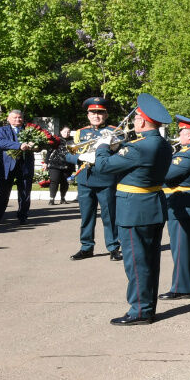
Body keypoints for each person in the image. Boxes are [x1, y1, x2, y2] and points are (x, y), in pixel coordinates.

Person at [88, 93, 172, 325]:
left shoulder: (139, 147)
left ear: (143, 122)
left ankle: (140, 311)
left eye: (136, 119)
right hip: (152, 206)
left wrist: (102, 146)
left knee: (136, 262)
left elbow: (104, 166)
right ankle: (147, 306)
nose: (133, 123)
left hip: (135, 209)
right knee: (149, 261)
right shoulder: (161, 144)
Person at [160, 116, 190, 300]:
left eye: (181, 132)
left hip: (183, 204)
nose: (179, 135)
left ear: (188, 134)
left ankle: (181, 288)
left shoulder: (187, 154)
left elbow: (166, 174)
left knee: (181, 247)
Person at [70, 98, 121, 261]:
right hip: (86, 178)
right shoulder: (80, 132)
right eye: (93, 112)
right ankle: (86, 247)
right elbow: (69, 154)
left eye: (100, 112)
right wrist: (80, 158)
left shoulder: (115, 130)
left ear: (106, 114)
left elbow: (123, 154)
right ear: (88, 115)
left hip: (106, 179)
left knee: (110, 216)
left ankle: (113, 247)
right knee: (86, 216)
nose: (96, 116)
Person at [0, 109, 36, 225]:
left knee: (24, 192)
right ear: (8, 119)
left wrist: (36, 145)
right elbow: (0, 143)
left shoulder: (30, 130)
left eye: (20, 117)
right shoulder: (1, 130)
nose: (17, 119)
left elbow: (38, 143)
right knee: (3, 192)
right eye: (14, 117)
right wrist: (19, 145)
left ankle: (23, 216)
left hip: (25, 165)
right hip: (7, 166)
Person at [45, 127, 73, 204]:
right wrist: (45, 162)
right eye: (65, 132)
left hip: (68, 164)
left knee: (65, 182)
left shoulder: (73, 140)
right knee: (54, 181)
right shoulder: (56, 139)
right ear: (61, 131)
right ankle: (51, 199)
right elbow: (49, 151)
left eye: (68, 132)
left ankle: (63, 198)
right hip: (55, 164)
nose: (67, 133)